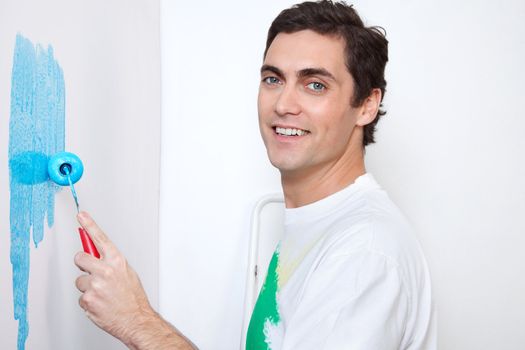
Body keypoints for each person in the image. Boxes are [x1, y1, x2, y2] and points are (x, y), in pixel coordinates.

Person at [74, 1, 436, 349]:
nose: (283, 104)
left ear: (366, 105)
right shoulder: (319, 223)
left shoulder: (362, 254)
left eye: (315, 85)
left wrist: (138, 322)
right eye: (273, 79)